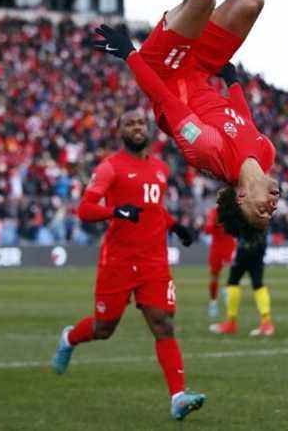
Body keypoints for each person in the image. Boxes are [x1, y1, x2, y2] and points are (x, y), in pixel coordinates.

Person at [93, 0, 279, 248]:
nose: (271, 207)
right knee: (250, 0)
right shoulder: (266, 154)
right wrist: (234, 82)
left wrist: (129, 53)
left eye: (261, 212)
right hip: (204, 69)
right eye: (270, 215)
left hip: (166, 69)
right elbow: (244, 119)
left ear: (241, 197)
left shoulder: (207, 152)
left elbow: (164, 100)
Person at [50, 108, 204, 421]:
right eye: (129, 123)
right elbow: (85, 209)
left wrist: (174, 226)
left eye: (140, 123)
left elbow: (154, 209)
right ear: (120, 131)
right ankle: (69, 338)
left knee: (163, 324)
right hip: (118, 262)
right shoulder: (110, 168)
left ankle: (177, 397)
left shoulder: (160, 168)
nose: (136, 127)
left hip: (153, 261)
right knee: (103, 328)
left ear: (148, 130)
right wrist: (116, 212)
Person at [209, 189, 275, 337]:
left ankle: (232, 322)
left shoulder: (244, 204)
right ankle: (266, 322)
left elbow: (234, 226)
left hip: (247, 246)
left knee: (234, 281)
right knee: (257, 282)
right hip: (258, 245)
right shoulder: (257, 200)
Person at [204, 205, 236, 318]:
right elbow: (207, 230)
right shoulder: (213, 212)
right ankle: (213, 303)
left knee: (235, 273)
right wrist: (215, 224)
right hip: (217, 249)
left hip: (230, 246)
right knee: (214, 276)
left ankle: (226, 289)